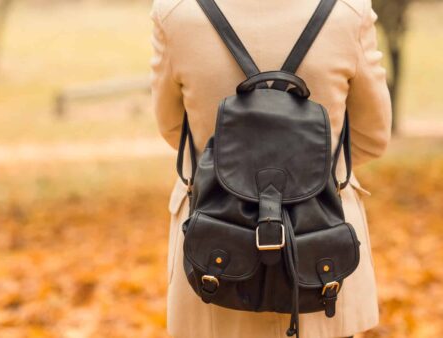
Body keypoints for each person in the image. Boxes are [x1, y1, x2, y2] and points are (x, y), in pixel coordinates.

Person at [150, 0, 392, 337]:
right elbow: (371, 137)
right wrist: (306, 171)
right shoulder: (348, 11)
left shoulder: (176, 13)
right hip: (321, 248)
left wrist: (234, 170)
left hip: (213, 248)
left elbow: (175, 129)